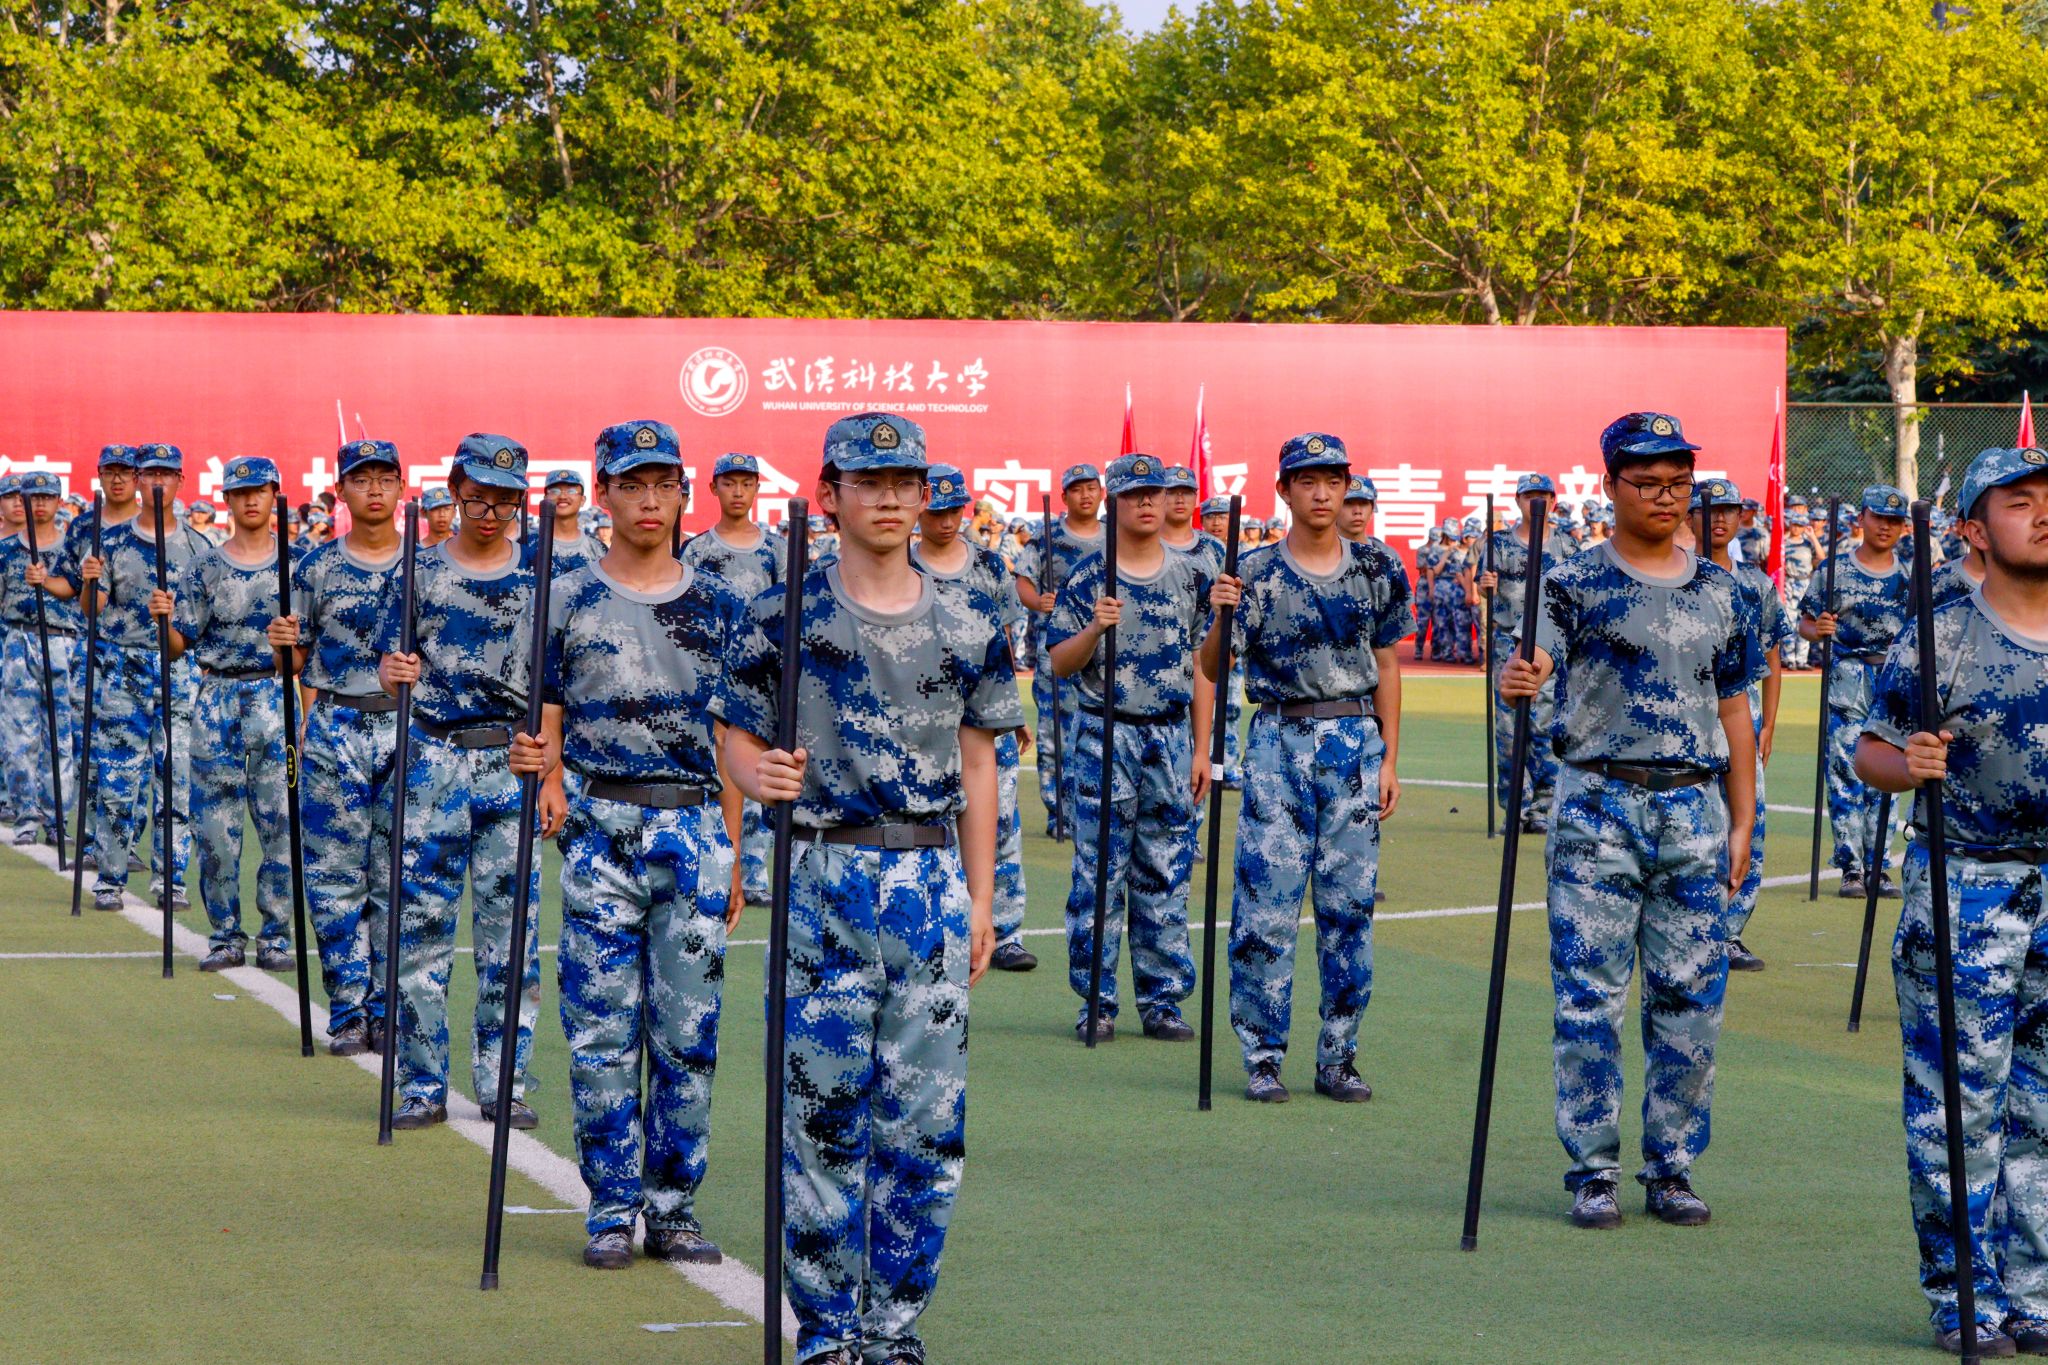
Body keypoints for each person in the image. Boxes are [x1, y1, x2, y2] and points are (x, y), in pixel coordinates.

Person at [716, 411, 1017, 1365]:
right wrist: (757, 771)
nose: (890, 498)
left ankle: (894, 1326)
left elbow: (980, 762)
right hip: (822, 875)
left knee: (926, 1126)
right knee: (821, 1116)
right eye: (868, 481)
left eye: (905, 482)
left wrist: (982, 897)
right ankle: (827, 1329)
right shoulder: (782, 614)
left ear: (924, 493)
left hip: (927, 878)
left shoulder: (970, 618)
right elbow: (733, 731)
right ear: (828, 494)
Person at [1498, 411, 1758, 1231]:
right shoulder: (1571, 581)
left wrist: (1744, 817)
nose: (1665, 496)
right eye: (1646, 482)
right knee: (1589, 997)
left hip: (1693, 806)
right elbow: (1535, 656)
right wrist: (1521, 675)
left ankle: (1672, 1165)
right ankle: (1593, 1168)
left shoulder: (1723, 591)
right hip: (1597, 808)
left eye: (1678, 482)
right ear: (1610, 485)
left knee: (1691, 998)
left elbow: (1735, 706)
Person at [509, 420, 742, 1271]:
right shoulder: (565, 596)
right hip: (601, 825)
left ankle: (673, 1206)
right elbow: (546, 707)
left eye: (664, 485)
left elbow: (732, 737)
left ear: (684, 493)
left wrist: (733, 848)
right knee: (601, 1029)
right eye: (632, 484)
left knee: (688, 1033)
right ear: (602, 492)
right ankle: (611, 1205)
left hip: (693, 827)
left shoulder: (721, 606)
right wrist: (542, 769)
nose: (650, 501)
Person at [1856, 444, 2048, 1358]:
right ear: (1973, 528)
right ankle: (1963, 1292)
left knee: (2043, 1105)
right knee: (1958, 1105)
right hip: (1966, 885)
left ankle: (2035, 1289)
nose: (2042, 512)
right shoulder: (1942, 635)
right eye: (2018, 500)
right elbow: (1871, 749)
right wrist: (1910, 762)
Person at [1202, 433, 1407, 1104]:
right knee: (1265, 907)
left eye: (1333, 480)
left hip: (1354, 742)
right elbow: (1213, 666)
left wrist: (1389, 758)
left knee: (1348, 908)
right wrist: (1220, 615)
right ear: (1284, 490)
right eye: (1307, 481)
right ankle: (1262, 1055)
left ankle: (1339, 1055)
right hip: (1278, 741)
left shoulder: (1377, 566)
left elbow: (1387, 664)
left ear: (1346, 486)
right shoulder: (1253, 572)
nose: (1322, 493)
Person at [375, 434, 543, 1130]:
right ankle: (422, 1083)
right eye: (478, 497)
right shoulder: (418, 573)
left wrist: (552, 769)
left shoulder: (541, 576)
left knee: (512, 938)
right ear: (453, 490)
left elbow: (557, 686)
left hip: (511, 760)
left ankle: (505, 1081)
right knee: (420, 929)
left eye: (505, 499)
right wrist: (392, 673)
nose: (491, 512)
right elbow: (387, 660)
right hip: (434, 758)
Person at [1047, 454, 1213, 1043]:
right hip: (1105, 734)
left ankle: (1162, 1000)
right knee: (1099, 874)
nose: (1147, 502)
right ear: (1112, 504)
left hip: (1170, 736)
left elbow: (1204, 665)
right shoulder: (1090, 577)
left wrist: (1202, 748)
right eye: (1134, 494)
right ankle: (1097, 1000)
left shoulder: (1191, 575)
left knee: (1164, 871)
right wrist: (1094, 628)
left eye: (1154, 492)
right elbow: (1059, 663)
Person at [36, 444, 204, 911]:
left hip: (176, 670)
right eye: (149, 473)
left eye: (167, 473)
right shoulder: (109, 541)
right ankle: (109, 878)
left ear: (180, 480)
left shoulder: (198, 547)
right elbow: (91, 609)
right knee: (116, 780)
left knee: (175, 781)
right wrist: (90, 581)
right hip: (121, 667)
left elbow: (201, 622)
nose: (157, 482)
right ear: (138, 479)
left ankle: (171, 880)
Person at [286, 439, 406, 1056]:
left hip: (408, 730)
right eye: (362, 479)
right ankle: (348, 1008)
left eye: (386, 478)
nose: (375, 489)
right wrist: (282, 644)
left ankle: (388, 1009)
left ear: (402, 488)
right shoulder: (315, 568)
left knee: (397, 876)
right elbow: (296, 661)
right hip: (337, 724)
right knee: (334, 876)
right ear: (341, 492)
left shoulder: (427, 568)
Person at [155, 457, 296, 972]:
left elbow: (307, 654)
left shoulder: (297, 566)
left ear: (274, 494)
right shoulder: (205, 567)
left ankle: (276, 936)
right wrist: (163, 620)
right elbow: (178, 645)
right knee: (215, 829)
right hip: (216, 697)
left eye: (259, 490)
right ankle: (225, 935)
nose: (250, 500)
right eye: (240, 492)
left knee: (281, 827)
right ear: (227, 500)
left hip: (274, 696)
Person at [913, 463, 1036, 973]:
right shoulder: (902, 563)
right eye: (936, 511)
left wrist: (1013, 712)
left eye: (955, 511)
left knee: (1000, 819)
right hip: (924, 718)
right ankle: (938, 924)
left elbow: (1001, 639)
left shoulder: (987, 566)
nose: (946, 521)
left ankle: (1004, 931)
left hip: (984, 712)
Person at [679, 452, 785, 908]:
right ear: (713, 488)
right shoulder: (698, 550)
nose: (738, 492)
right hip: (710, 672)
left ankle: (755, 870)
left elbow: (788, 611)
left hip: (762, 674)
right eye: (729, 483)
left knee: (759, 764)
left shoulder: (777, 550)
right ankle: (716, 857)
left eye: (746, 483)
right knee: (714, 763)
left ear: (758, 488)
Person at [1800, 485, 1914, 899]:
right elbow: (1805, 623)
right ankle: (1851, 867)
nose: (1886, 526)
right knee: (1845, 773)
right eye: (1879, 517)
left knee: (1886, 774)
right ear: (1862, 518)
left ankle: (1878, 867)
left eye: (1894, 521)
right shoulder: (1833, 570)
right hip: (1848, 680)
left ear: (1903, 527)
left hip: (1892, 682)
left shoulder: (1909, 577)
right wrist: (1819, 630)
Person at [1694, 478, 1786, 973]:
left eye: (1730, 510)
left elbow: (1771, 655)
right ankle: (1693, 927)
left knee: (1750, 820)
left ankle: (1729, 932)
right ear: (1689, 517)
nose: (1720, 519)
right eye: (1709, 510)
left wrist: (1767, 723)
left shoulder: (1755, 584)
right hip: (1689, 713)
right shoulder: (1677, 575)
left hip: (1741, 711)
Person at [1015, 463, 1104, 838]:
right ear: (1065, 496)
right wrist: (1039, 602)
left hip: (1104, 653)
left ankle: (1096, 810)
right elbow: (1023, 582)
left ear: (1102, 494)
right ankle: (1060, 813)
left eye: (1091, 488)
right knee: (1055, 734)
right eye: (1077, 489)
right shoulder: (1046, 538)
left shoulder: (1115, 538)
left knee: (1102, 733)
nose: (1086, 495)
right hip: (1056, 649)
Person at [1476, 474, 1565, 835]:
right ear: (1517, 501)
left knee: (1545, 730)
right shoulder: (1498, 544)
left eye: (1543, 495)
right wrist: (1486, 587)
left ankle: (1544, 807)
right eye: (1529, 496)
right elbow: (1485, 591)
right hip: (1506, 644)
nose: (1536, 501)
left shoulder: (1566, 546)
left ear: (1553, 501)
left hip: (1550, 647)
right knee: (1509, 732)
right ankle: (1515, 807)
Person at [0, 473, 80, 848]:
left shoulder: (72, 549)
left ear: (59, 501)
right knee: (19, 736)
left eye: (48, 496)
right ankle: (25, 816)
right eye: (33, 497)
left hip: (64, 643)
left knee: (61, 737)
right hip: (19, 640)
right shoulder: (6, 550)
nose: (41, 504)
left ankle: (56, 817)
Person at [539, 469, 600, 578]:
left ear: (582, 500)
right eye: (555, 491)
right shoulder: (526, 544)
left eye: (571, 491)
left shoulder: (597, 548)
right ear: (545, 499)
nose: (563, 497)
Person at [1781, 508, 1820, 669]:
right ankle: (1789, 658)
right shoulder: (1784, 543)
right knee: (1789, 621)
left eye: (1800, 525)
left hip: (1805, 583)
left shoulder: (1808, 544)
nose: (1796, 528)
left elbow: (1821, 557)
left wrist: (1812, 537)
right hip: (1789, 583)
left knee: (1805, 620)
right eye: (1794, 524)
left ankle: (1802, 659)